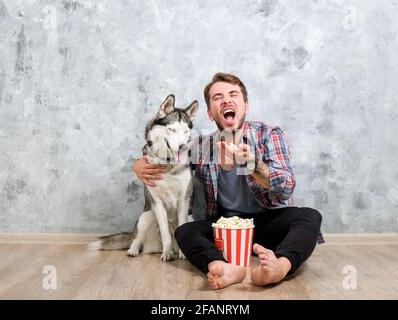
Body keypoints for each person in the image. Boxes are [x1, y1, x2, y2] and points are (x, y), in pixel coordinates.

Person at [133, 73, 324, 289]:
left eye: (233, 94)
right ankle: (224, 267)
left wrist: (253, 164)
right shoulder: (201, 145)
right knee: (185, 231)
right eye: (217, 97)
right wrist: (139, 163)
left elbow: (286, 188)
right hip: (226, 229)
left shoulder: (268, 134)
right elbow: (168, 154)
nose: (226, 100)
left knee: (309, 216)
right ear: (209, 111)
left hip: (267, 222)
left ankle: (280, 266)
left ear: (245, 105)